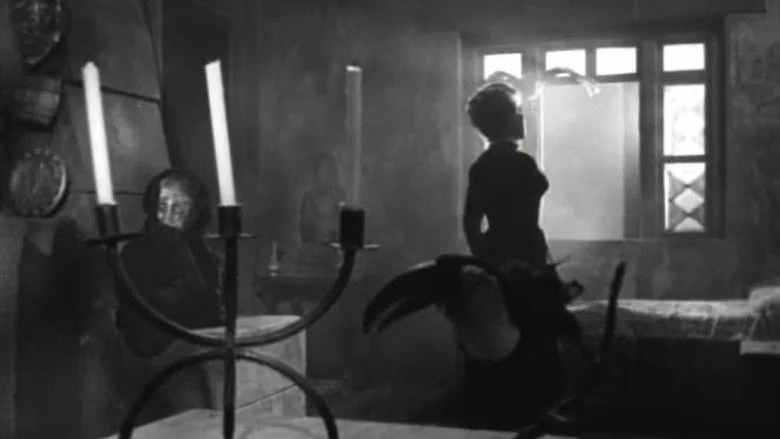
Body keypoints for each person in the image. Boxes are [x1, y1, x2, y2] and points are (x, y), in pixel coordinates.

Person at [458, 81, 564, 430]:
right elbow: (536, 188)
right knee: (536, 331)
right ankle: (535, 410)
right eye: (518, 112)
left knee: (502, 327)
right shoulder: (522, 163)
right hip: (527, 251)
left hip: (499, 253)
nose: (524, 117)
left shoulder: (482, 166)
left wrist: (486, 258)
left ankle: (503, 412)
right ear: (506, 120)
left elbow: (470, 223)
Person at [114, 168, 224, 422]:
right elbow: (145, 322)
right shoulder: (134, 253)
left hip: (198, 348)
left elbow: (212, 312)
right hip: (152, 352)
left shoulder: (199, 252)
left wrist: (188, 263)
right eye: (163, 204)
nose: (170, 215)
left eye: (181, 207)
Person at [297, 152, 345, 271]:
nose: (331, 176)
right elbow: (306, 233)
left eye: (333, 172)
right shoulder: (309, 199)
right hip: (312, 261)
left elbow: (343, 231)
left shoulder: (340, 199)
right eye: (327, 171)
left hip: (333, 260)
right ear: (317, 174)